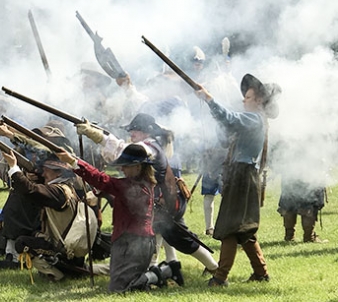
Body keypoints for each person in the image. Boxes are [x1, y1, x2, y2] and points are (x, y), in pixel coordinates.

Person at [78, 113, 218, 284]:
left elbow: (124, 151)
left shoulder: (147, 148)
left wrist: (97, 136)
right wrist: (97, 134)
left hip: (163, 203)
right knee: (162, 235)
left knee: (182, 240)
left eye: (134, 131)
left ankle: (215, 270)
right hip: (157, 202)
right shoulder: (148, 145)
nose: (131, 134)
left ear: (145, 132)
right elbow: (126, 151)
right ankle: (159, 270)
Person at [195, 73, 281, 286]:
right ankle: (261, 273)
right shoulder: (252, 120)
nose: (244, 100)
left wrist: (209, 99)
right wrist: (215, 112)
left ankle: (220, 276)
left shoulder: (253, 118)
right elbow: (225, 136)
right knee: (244, 229)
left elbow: (231, 119)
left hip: (242, 175)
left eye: (249, 97)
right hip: (242, 174)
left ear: (259, 101)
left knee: (229, 227)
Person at [57, 144, 159, 292]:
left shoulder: (134, 186)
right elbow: (113, 191)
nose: (122, 169)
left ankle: (158, 274)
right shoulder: (133, 184)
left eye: (126, 166)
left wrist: (74, 162)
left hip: (136, 242)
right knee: (119, 283)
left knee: (119, 289)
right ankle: (151, 276)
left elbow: (104, 181)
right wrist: (102, 191)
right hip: (127, 241)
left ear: (138, 167)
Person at [0, 151, 88, 281]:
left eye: (47, 170)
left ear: (58, 173)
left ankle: (57, 275)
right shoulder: (64, 187)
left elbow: (31, 190)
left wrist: (14, 167)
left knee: (23, 242)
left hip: (63, 249)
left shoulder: (58, 191)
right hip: (66, 245)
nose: (43, 174)